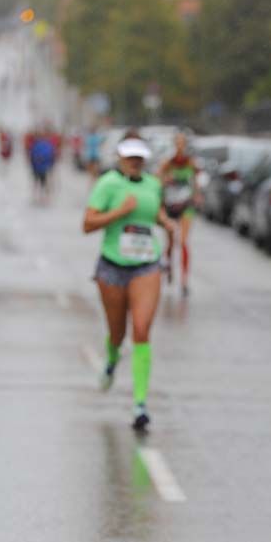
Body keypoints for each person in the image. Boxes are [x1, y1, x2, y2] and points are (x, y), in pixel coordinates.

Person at [83, 136, 176, 430]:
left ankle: (140, 405)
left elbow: (154, 212)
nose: (135, 162)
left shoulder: (152, 184)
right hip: (112, 267)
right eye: (130, 157)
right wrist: (119, 213)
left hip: (146, 266)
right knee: (117, 332)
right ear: (120, 158)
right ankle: (110, 361)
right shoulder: (108, 184)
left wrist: (167, 225)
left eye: (140, 157)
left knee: (141, 329)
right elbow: (87, 224)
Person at [158, 132, 203, 294]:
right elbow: (157, 181)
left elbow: (196, 182)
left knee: (183, 241)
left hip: (186, 206)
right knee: (170, 243)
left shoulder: (191, 163)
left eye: (182, 143)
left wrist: (197, 195)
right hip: (170, 206)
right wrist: (165, 180)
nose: (180, 146)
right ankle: (169, 268)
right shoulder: (167, 163)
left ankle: (184, 281)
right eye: (177, 143)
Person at [29, 132, 56, 203]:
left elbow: (31, 156)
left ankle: (36, 196)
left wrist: (32, 165)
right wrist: (51, 165)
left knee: (37, 181)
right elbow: (52, 156)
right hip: (44, 167)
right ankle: (44, 197)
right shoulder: (48, 145)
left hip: (37, 167)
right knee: (44, 182)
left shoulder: (36, 145)